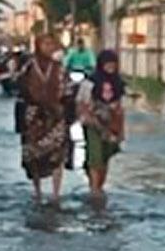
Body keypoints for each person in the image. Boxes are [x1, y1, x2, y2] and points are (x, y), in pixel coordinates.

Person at [18, 33, 71, 203]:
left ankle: (56, 193)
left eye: (51, 44)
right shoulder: (28, 66)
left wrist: (65, 104)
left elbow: (67, 87)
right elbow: (20, 86)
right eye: (45, 44)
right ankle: (37, 190)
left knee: (58, 153)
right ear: (38, 46)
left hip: (55, 115)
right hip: (34, 116)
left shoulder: (59, 67)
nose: (48, 47)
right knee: (33, 156)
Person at [81, 49, 128, 201]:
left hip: (111, 124)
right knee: (95, 156)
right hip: (93, 123)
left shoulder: (118, 83)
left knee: (106, 155)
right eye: (108, 63)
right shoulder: (91, 81)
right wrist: (87, 116)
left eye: (113, 64)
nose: (110, 66)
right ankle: (94, 188)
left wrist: (121, 130)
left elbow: (120, 106)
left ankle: (100, 185)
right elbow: (82, 101)